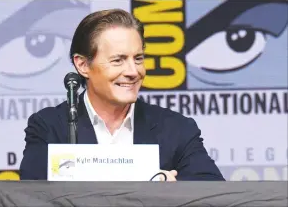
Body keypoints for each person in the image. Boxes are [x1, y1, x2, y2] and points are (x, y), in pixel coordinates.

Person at [19, 9, 225, 181]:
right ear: (82, 65)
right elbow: (31, 197)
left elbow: (212, 194)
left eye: (138, 58)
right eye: (118, 60)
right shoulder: (49, 127)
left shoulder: (177, 129)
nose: (133, 71)